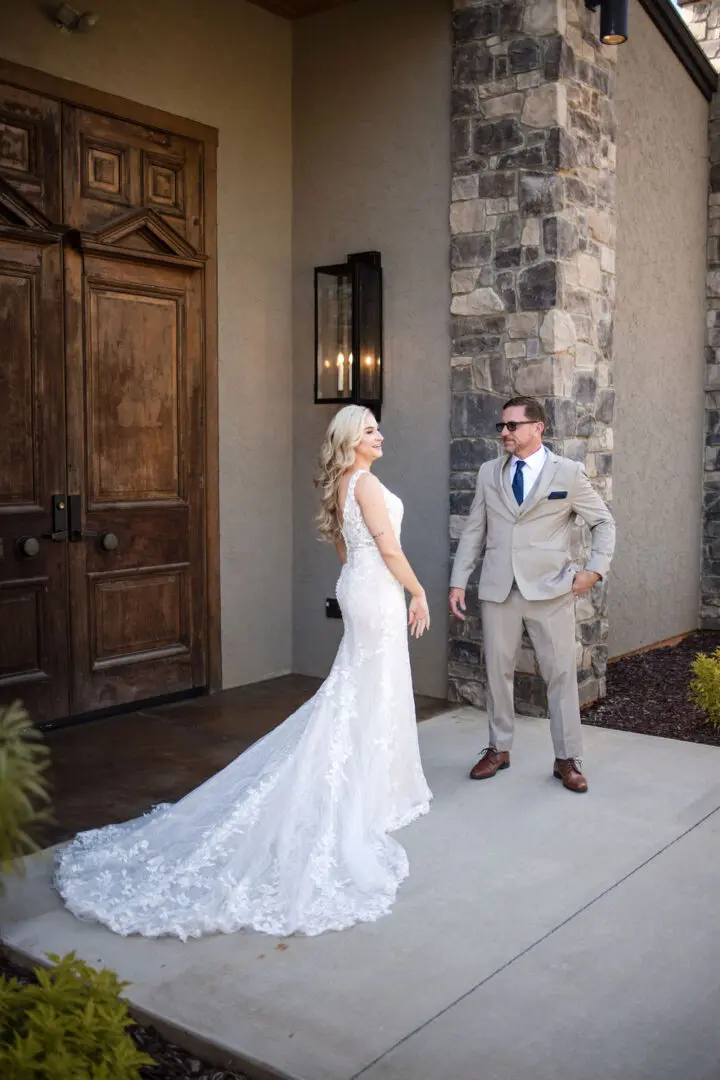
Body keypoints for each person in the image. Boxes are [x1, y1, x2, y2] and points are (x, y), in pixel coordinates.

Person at [54, 406, 432, 939]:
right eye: (369, 430)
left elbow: (348, 550)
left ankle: (371, 781)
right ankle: (367, 788)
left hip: (359, 586)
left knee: (360, 684)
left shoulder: (343, 484)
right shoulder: (365, 482)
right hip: (377, 592)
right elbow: (387, 546)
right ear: (351, 440)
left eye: (377, 428)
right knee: (371, 684)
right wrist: (417, 591)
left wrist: (370, 581)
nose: (380, 435)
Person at [448, 396, 615, 793]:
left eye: (511, 426)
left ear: (537, 428)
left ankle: (567, 758)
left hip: (551, 590)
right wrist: (459, 581)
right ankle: (498, 747)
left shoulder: (569, 473)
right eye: (501, 427)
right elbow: (474, 530)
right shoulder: (489, 472)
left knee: (559, 676)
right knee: (496, 673)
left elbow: (603, 522)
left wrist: (594, 570)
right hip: (498, 589)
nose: (503, 433)